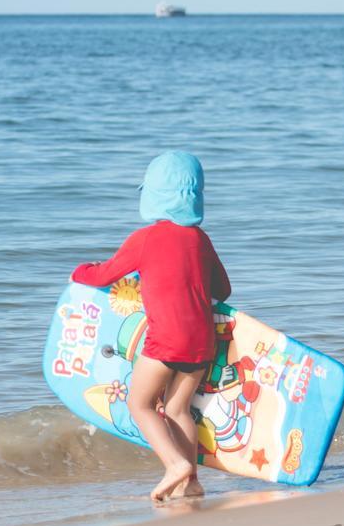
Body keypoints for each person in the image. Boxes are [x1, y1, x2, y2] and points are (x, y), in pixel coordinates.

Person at [71, 151, 231, 502]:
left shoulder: (144, 239)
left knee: (138, 404)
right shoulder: (201, 240)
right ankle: (191, 483)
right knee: (176, 410)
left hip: (165, 342)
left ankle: (175, 465)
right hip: (202, 342)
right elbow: (223, 290)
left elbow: (104, 274)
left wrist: (80, 271)